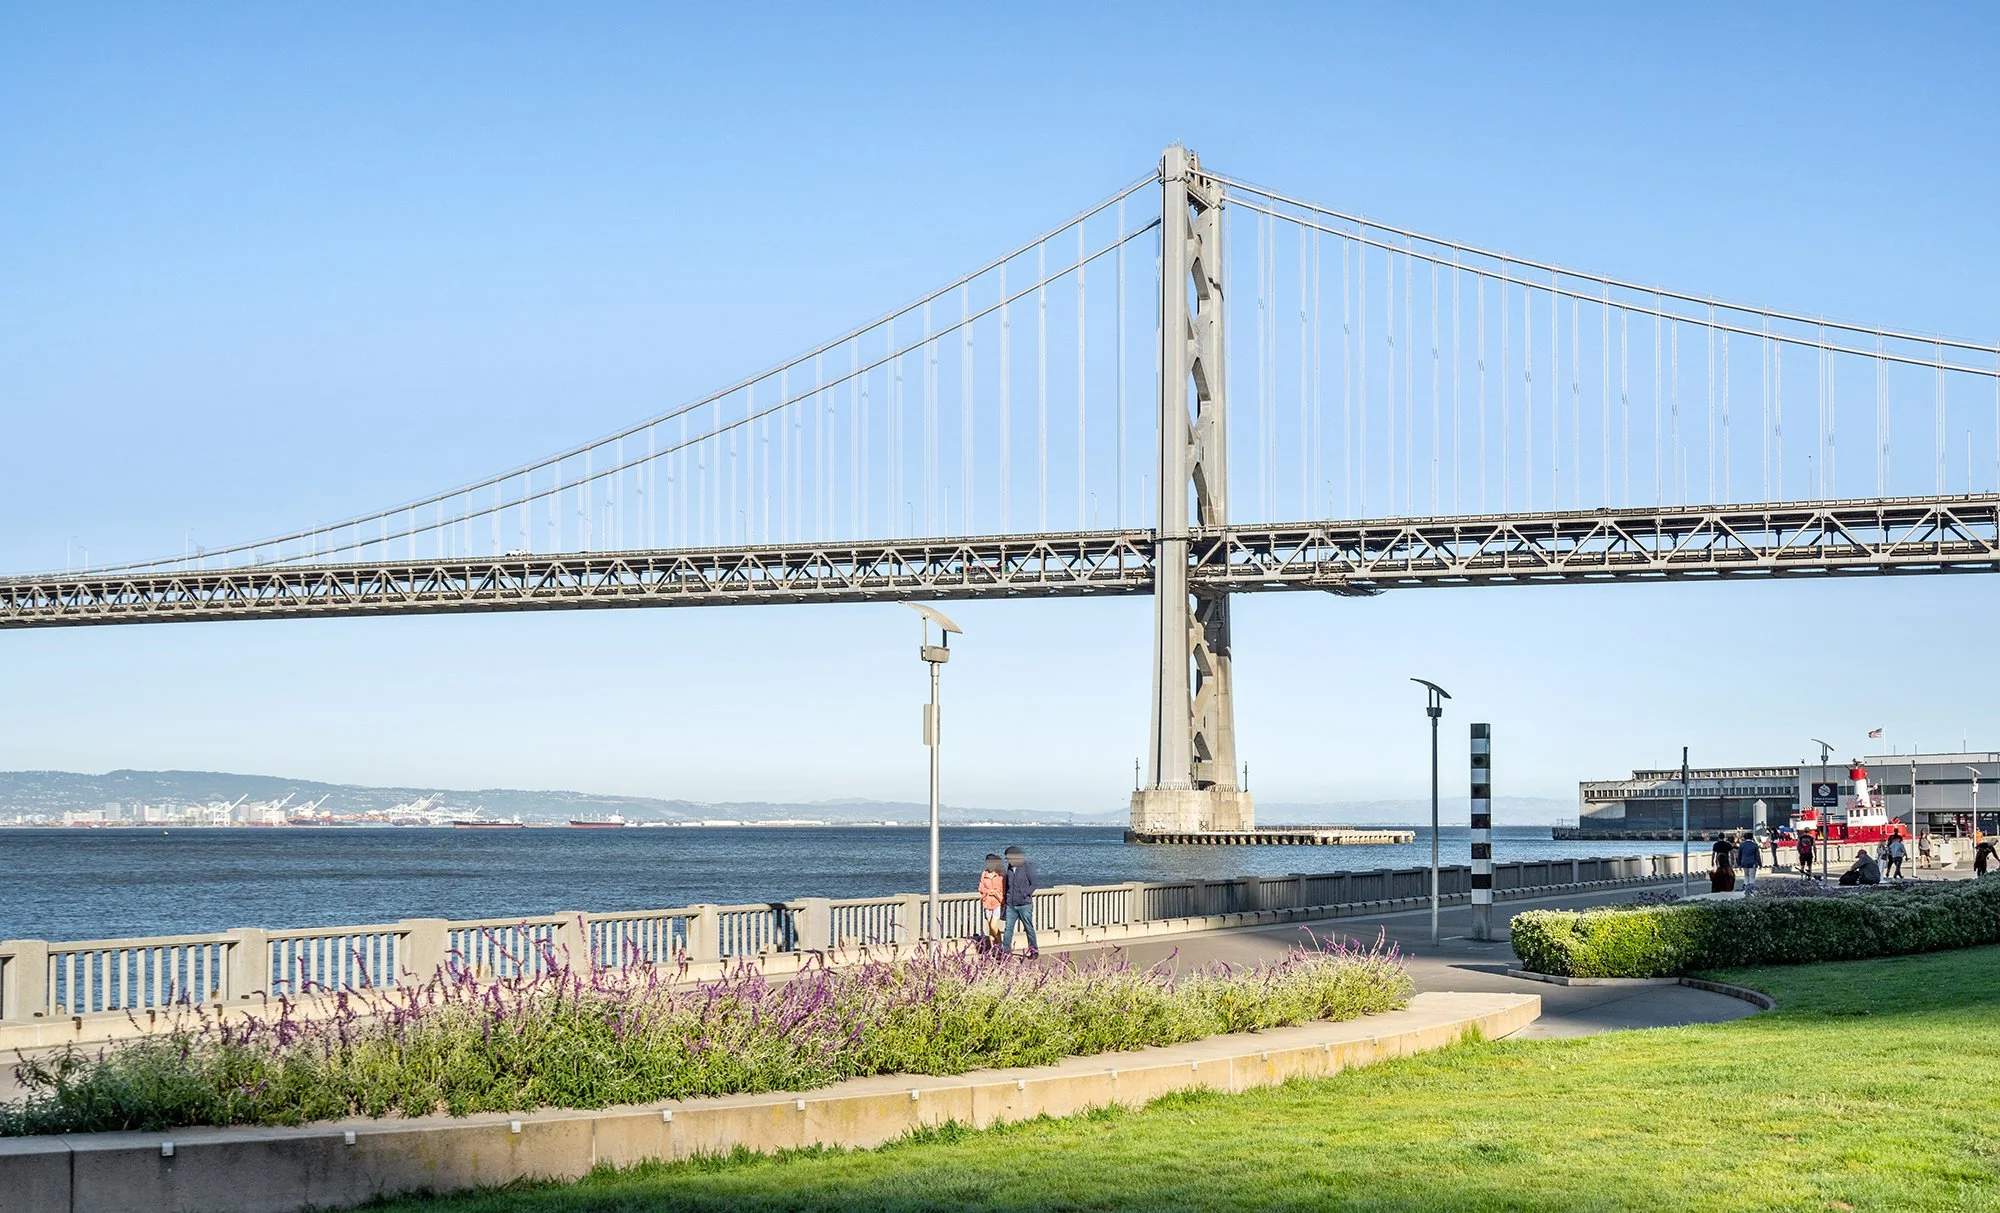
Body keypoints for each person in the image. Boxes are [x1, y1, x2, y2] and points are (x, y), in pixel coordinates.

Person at [1001, 845, 1039, 957]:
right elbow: (1008, 884)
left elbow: (1034, 883)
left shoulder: (1027, 866)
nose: (1007, 860)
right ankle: (1005, 952)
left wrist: (1025, 894)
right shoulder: (1009, 868)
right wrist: (1007, 897)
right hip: (1011, 905)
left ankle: (1034, 950)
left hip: (1024, 905)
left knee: (1028, 928)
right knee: (1008, 929)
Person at [976, 854, 1006, 947]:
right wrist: (989, 892)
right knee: (990, 927)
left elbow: (1004, 889)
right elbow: (981, 888)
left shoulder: (1001, 875)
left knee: (993, 925)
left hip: (997, 902)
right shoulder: (984, 874)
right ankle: (993, 948)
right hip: (987, 902)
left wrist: (996, 893)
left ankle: (1001, 944)